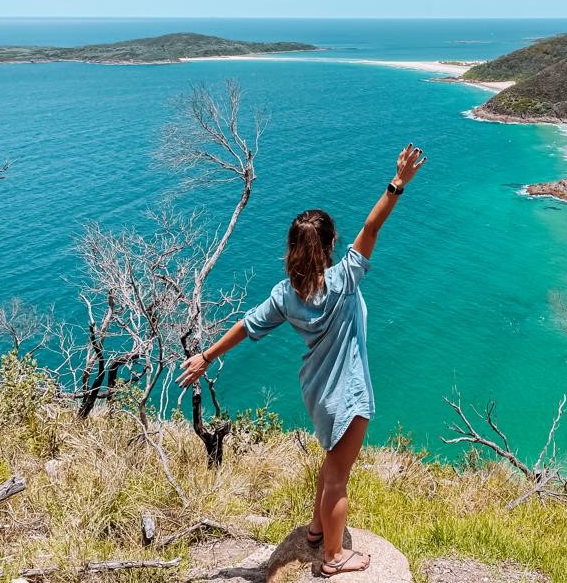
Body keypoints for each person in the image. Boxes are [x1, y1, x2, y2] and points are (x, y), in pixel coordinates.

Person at [177, 143, 427, 577]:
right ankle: (333, 556)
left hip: (316, 390)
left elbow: (247, 325)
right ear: (332, 243)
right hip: (348, 394)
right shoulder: (345, 279)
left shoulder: (285, 294)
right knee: (338, 477)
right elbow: (371, 227)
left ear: (292, 247)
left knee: (330, 463)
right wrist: (398, 182)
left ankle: (315, 531)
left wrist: (206, 356)